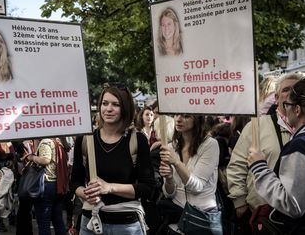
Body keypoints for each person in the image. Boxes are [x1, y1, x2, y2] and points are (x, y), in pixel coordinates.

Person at [226, 72, 305, 233]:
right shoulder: (257, 126)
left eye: (296, 90)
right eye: (286, 90)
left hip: (299, 218)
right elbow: (237, 165)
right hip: (260, 214)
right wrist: (239, 201)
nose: (291, 94)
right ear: (276, 98)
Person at [71, 85, 156, 235]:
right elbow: (75, 182)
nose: (108, 109)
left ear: (125, 108)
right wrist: (86, 193)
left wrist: (109, 187)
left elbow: (147, 188)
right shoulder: (85, 139)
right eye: (105, 103)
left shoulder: (137, 140)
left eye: (115, 104)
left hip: (126, 225)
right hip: (90, 223)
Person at [248, 78, 305, 233]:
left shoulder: (302, 145)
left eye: (288, 105)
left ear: (297, 110)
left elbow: (292, 204)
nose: (285, 109)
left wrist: (259, 167)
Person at [157, 115, 222, 235]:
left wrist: (176, 162)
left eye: (186, 116)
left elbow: (197, 186)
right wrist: (169, 179)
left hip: (201, 219)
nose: (178, 119)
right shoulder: (171, 146)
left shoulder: (210, 145)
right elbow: (169, 193)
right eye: (176, 114)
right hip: (176, 221)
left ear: (198, 119)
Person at [25, 137, 67, 235]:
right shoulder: (58, 141)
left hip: (47, 184)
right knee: (58, 220)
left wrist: (31, 157)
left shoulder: (46, 142)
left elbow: (45, 160)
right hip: (58, 184)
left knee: (44, 223)